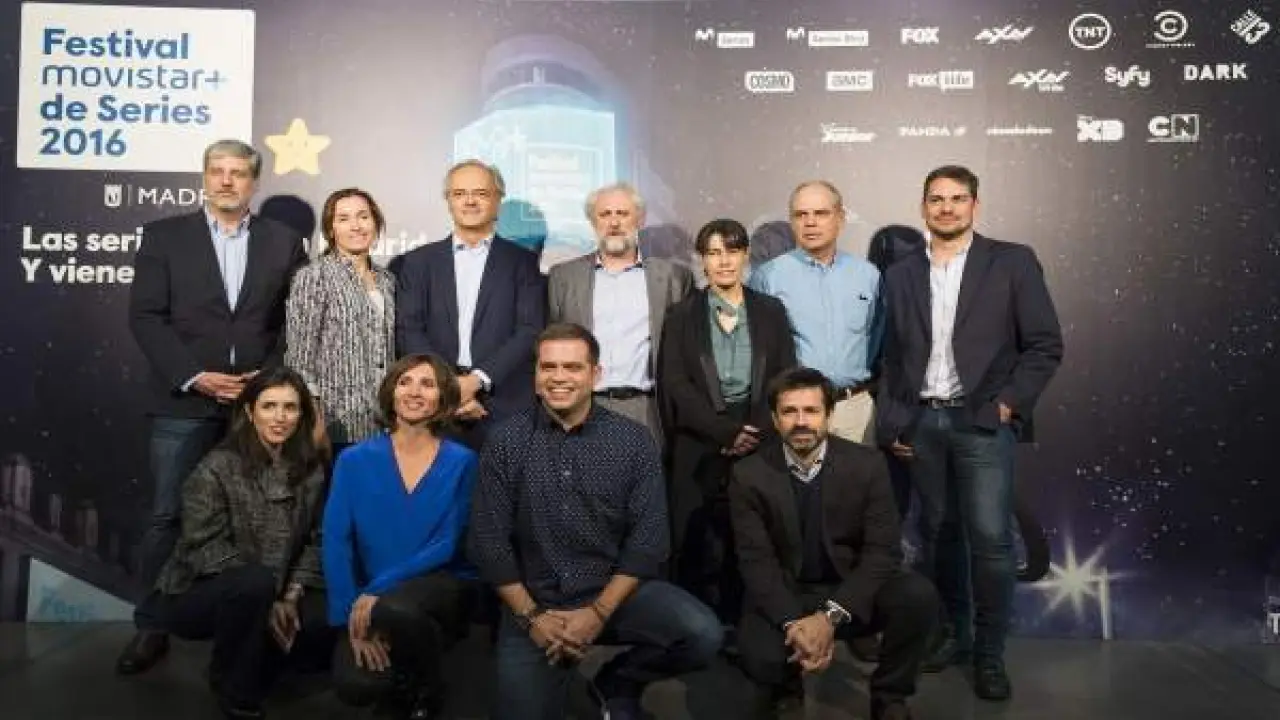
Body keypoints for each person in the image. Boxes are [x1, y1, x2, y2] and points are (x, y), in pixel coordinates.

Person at [468, 323, 723, 720]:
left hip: (614, 596)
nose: (559, 377)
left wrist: (598, 612)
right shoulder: (506, 441)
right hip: (534, 605)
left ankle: (618, 681)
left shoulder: (632, 441)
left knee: (703, 634)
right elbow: (488, 542)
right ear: (535, 375)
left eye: (572, 367)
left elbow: (649, 540)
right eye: (548, 367)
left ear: (595, 375)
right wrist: (532, 618)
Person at [120, 139, 307, 675]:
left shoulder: (284, 241)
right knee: (167, 514)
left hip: (255, 407)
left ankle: (247, 624)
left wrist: (264, 380)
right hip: (183, 400)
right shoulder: (164, 236)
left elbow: (292, 322)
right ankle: (152, 627)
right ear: (204, 177)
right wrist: (195, 376)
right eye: (217, 171)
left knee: (260, 514)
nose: (226, 181)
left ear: (254, 182)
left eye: (238, 173)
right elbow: (146, 316)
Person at [877, 165, 1064, 700]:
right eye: (936, 199)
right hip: (924, 423)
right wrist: (895, 420)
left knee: (990, 541)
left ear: (975, 206)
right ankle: (955, 637)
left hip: (980, 422)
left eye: (957, 199)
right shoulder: (901, 274)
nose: (947, 208)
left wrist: (1006, 405)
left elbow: (1044, 345)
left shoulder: (1012, 261)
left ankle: (989, 654)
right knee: (940, 537)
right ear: (924, 207)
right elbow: (892, 356)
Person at [730, 367, 937, 720]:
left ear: (829, 415)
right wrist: (795, 625)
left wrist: (829, 618)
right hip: (788, 591)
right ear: (775, 419)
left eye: (811, 411)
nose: (801, 422)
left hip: (849, 589)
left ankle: (890, 696)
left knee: (917, 596)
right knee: (760, 655)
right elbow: (756, 563)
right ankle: (786, 687)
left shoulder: (867, 465)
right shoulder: (748, 474)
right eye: (789, 411)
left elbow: (882, 552)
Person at [128, 367, 332, 719]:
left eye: (290, 407)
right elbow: (203, 548)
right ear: (250, 412)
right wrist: (269, 596)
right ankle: (234, 691)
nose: (280, 417)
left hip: (271, 589)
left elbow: (316, 540)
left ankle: (261, 656)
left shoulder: (310, 469)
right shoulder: (217, 466)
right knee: (253, 586)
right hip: (196, 593)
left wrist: (291, 595)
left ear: (302, 415)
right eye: (269, 406)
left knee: (319, 625)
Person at [324, 354, 478, 719]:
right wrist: (351, 618)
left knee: (397, 609)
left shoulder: (462, 461)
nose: (414, 392)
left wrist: (377, 592)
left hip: (438, 584)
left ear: (443, 398)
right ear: (390, 393)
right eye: (405, 382)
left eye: (428, 384)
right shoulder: (353, 460)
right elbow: (335, 540)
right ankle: (401, 656)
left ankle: (427, 685)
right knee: (356, 685)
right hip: (371, 595)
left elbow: (448, 542)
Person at [658, 218, 796, 626]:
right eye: (714, 253)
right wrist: (725, 432)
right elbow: (675, 383)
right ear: (702, 259)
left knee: (751, 536)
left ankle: (747, 624)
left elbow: (783, 376)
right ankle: (695, 628)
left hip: (758, 433)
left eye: (731, 251)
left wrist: (754, 429)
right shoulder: (681, 315)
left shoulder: (770, 311)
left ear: (746, 255)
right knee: (696, 539)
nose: (723, 261)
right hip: (701, 436)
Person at [396, 160, 546, 450]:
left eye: (481, 193)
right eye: (460, 193)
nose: (470, 201)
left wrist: (475, 382)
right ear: (448, 201)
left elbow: (529, 331)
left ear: (497, 200)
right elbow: (409, 329)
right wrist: (449, 387)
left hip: (504, 405)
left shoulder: (523, 262)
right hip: (435, 403)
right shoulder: (418, 262)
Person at [547, 183, 694, 438]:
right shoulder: (564, 277)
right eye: (605, 214)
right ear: (593, 221)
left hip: (647, 411)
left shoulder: (673, 278)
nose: (614, 222)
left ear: (640, 220)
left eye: (622, 213)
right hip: (582, 408)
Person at [749, 180, 883, 445]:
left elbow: (877, 341)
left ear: (840, 218)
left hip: (854, 409)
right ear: (792, 221)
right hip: (796, 410)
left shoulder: (867, 275)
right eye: (801, 214)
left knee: (859, 473)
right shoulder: (768, 277)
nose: (810, 223)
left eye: (821, 213)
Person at [285, 188, 396, 458]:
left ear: (375, 223)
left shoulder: (388, 280)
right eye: (344, 219)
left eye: (363, 217)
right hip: (336, 425)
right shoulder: (314, 276)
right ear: (331, 229)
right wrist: (313, 418)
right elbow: (300, 358)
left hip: (386, 423)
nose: (356, 226)